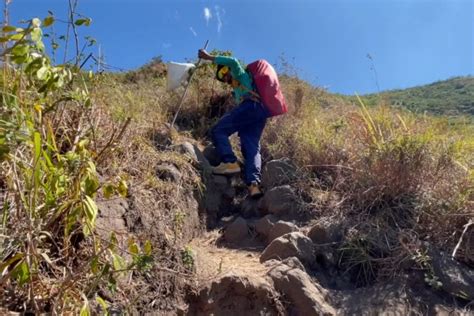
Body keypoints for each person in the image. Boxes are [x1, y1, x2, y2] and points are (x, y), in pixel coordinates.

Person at [198, 49, 270, 198]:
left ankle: (230, 162)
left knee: (218, 130)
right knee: (251, 147)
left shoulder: (239, 73)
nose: (224, 77)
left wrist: (209, 57)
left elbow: (233, 61)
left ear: (228, 69)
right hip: (260, 112)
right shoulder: (238, 88)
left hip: (250, 106)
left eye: (224, 72)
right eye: (220, 77)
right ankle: (253, 185)